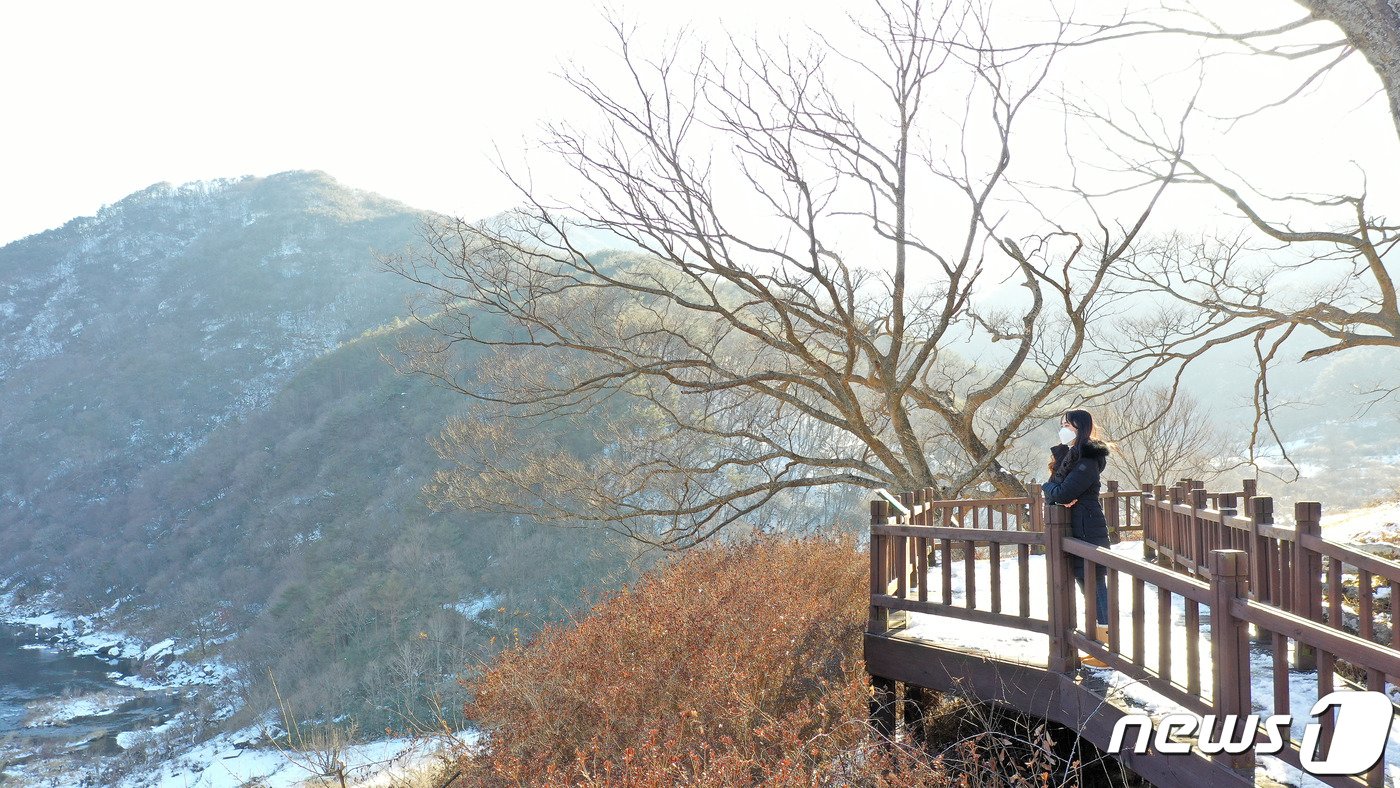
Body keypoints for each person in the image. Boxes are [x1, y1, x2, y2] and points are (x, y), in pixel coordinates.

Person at [1042, 409, 1112, 669]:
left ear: (1080, 428)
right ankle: (1097, 645)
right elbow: (1057, 493)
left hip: (1087, 530)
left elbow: (1062, 492)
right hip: (1075, 530)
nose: (1063, 428)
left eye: (1068, 425)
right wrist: (1054, 490)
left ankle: (1105, 650)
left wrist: (1048, 488)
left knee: (1095, 587)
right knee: (1088, 587)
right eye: (1061, 424)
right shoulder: (1070, 456)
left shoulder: (1088, 457)